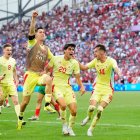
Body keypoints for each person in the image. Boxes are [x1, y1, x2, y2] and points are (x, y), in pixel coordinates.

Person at [17, 11, 53, 130]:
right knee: (25, 102)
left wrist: (46, 70)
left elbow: (53, 60)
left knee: (48, 78)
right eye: (40, 32)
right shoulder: (32, 43)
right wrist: (33, 19)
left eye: (43, 32)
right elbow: (31, 31)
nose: (42, 33)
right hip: (30, 75)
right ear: (36, 35)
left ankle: (47, 104)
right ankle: (20, 118)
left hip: (39, 75)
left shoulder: (47, 49)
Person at [79, 44, 121, 136]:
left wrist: (119, 72)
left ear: (102, 52)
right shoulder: (95, 61)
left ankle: (90, 129)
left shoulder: (111, 61)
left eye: (96, 51)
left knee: (100, 109)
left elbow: (115, 67)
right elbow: (84, 68)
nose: (94, 53)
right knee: (92, 107)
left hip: (108, 90)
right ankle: (88, 117)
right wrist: (74, 61)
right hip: (97, 88)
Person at [47, 43, 85, 136]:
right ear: (64, 50)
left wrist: (82, 86)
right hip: (56, 86)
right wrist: (45, 77)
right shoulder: (56, 58)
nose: (72, 51)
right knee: (63, 105)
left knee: (74, 110)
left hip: (67, 88)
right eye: (69, 49)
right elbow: (47, 69)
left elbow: (77, 77)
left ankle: (70, 128)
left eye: (73, 50)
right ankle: (64, 125)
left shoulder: (75, 63)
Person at [0, 43, 20, 118]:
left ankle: (20, 119)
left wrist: (16, 79)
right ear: (3, 51)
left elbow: (14, 71)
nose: (9, 51)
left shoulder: (13, 60)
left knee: (16, 101)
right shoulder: (0, 60)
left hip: (11, 83)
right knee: (1, 100)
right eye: (7, 50)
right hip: (1, 84)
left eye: (10, 50)